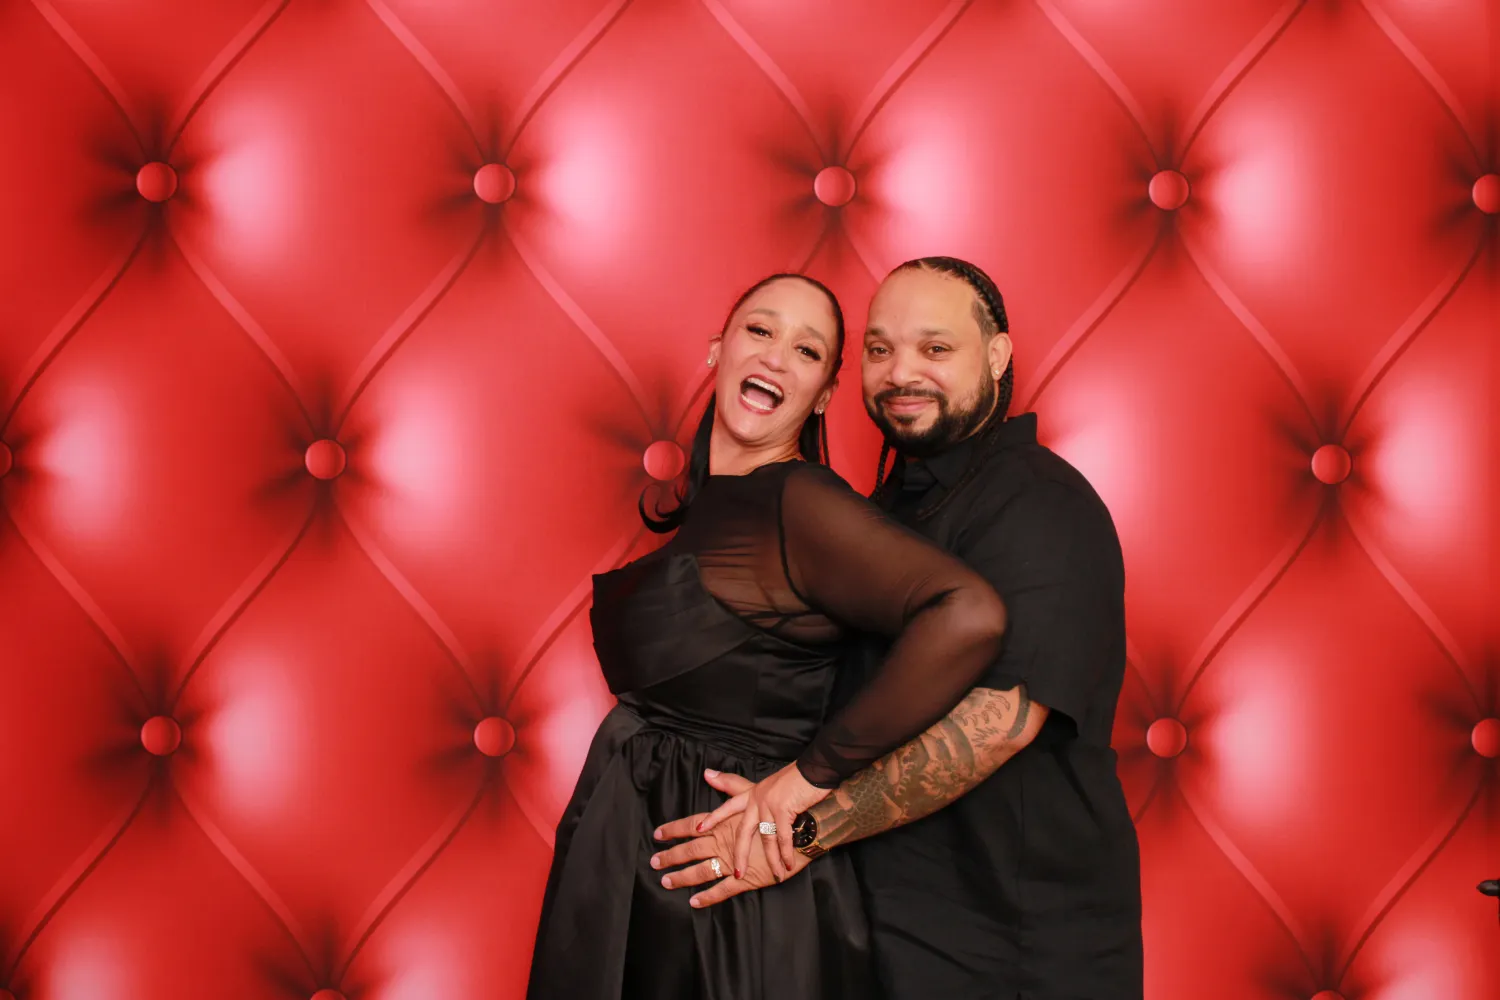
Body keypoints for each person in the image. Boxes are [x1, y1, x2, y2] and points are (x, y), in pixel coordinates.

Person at [651, 257, 1144, 1000]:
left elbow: (998, 723)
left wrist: (791, 828)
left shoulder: (1042, 502)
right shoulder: (881, 513)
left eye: (934, 348)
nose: (901, 372)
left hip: (1015, 950)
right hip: (878, 940)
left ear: (998, 356)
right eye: (880, 350)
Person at [524, 271, 1011, 1000]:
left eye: (807, 351)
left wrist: (808, 778)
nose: (777, 356)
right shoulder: (722, 504)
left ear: (823, 394)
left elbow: (967, 613)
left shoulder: (799, 501)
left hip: (727, 895)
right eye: (760, 330)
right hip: (647, 868)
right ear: (717, 349)